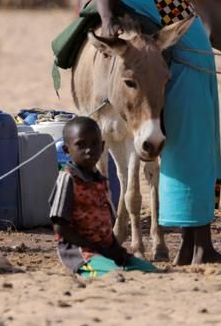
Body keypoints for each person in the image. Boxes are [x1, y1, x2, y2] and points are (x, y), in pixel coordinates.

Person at [94, 0, 221, 265]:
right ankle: (199, 248)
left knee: (203, 161)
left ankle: (196, 247)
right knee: (190, 161)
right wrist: (108, 19)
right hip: (183, 87)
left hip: (202, 88)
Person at [49, 117, 159, 277]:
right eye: (81, 145)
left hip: (107, 250)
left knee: (150, 270)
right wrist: (92, 246)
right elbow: (59, 226)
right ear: (67, 150)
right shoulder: (67, 180)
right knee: (113, 273)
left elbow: (107, 223)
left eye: (94, 144)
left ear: (102, 147)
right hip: (81, 253)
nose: (89, 150)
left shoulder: (100, 181)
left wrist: (117, 250)